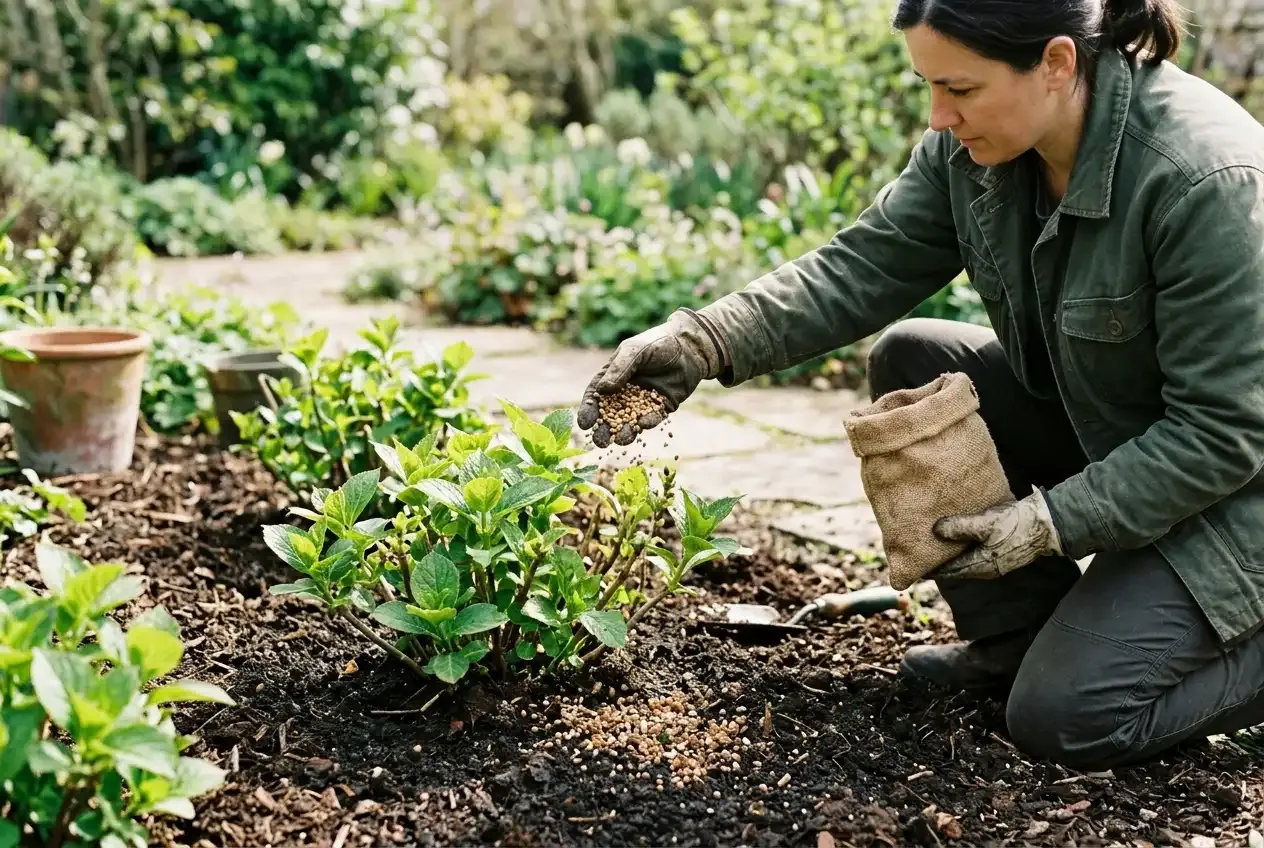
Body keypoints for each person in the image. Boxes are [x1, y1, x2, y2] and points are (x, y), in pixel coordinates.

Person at [576, 0, 1264, 769]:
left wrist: (1051, 521)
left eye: (961, 90)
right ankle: (1015, 640)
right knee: (913, 358)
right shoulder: (978, 154)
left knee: (1068, 719)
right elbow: (862, 265)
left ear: (1058, 63)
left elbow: (1222, 433)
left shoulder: (1204, 177)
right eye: (927, 86)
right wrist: (704, 340)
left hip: (1235, 501)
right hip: (1121, 432)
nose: (939, 117)